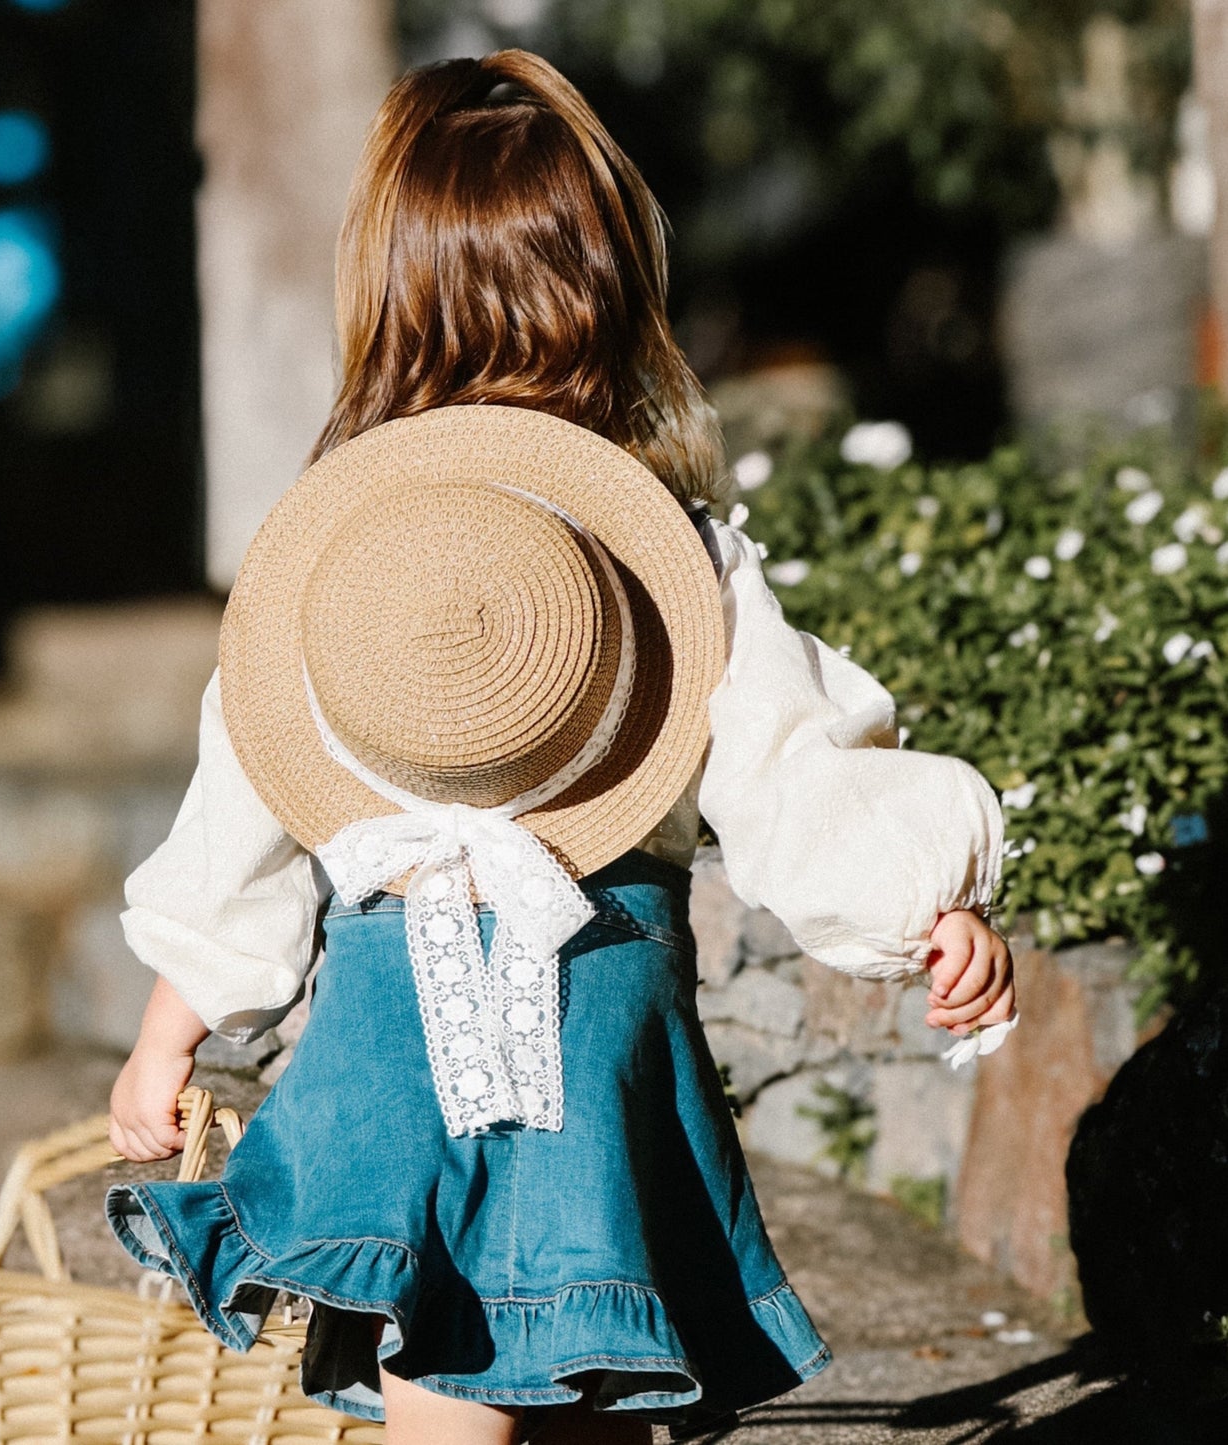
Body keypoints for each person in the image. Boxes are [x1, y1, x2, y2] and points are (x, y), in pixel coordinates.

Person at [105, 49, 1017, 1445]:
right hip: (601, 1014)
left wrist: (171, 1031)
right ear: (607, 288)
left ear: (390, 293)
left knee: (449, 1368)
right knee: (604, 1371)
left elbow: (251, 798)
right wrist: (918, 902)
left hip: (395, 1019)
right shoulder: (673, 557)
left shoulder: (335, 566)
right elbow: (786, 761)